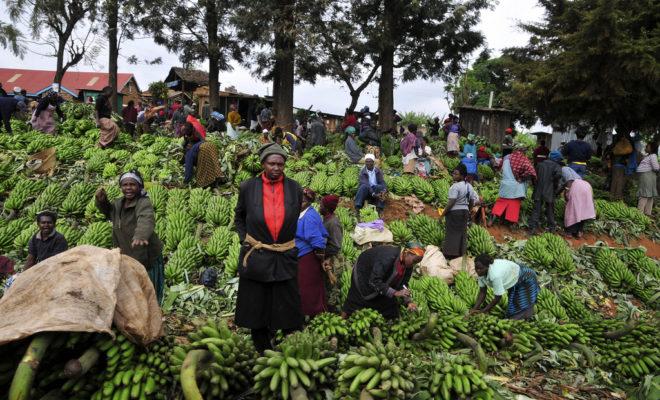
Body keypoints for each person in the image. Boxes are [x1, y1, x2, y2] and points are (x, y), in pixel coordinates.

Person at [234, 142, 303, 352]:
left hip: (284, 251)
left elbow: (295, 212)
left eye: (280, 164)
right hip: (258, 252)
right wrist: (245, 238)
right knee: (258, 298)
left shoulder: (294, 188)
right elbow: (239, 216)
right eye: (272, 163)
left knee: (284, 295)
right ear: (263, 163)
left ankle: (286, 336)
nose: (276, 168)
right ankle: (261, 341)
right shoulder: (248, 187)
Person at [95, 171, 164, 303]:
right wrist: (102, 202)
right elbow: (110, 214)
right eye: (125, 185)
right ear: (121, 187)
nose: (128, 188)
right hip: (127, 248)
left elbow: (146, 218)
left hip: (145, 251)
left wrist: (141, 235)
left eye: (132, 184)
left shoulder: (143, 202)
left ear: (139, 186)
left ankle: (153, 305)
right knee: (132, 282)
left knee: (147, 283)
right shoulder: (119, 203)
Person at [342, 244, 424, 319]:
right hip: (364, 273)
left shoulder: (408, 266)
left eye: (417, 263)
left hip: (382, 280)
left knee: (390, 305)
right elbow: (374, 281)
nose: (414, 264)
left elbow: (403, 285)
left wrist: (408, 301)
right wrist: (395, 292)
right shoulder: (389, 256)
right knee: (356, 300)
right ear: (407, 253)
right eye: (414, 261)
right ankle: (342, 319)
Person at [470, 254, 540, 320]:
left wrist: (483, 311)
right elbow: (482, 292)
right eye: (476, 268)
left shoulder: (495, 275)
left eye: (481, 268)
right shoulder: (481, 273)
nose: (478, 271)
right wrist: (475, 308)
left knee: (522, 301)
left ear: (488, 266)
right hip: (513, 275)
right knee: (513, 301)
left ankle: (522, 320)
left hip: (526, 276)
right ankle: (518, 317)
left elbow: (498, 297)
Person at [296, 188, 329, 317]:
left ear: (309, 202)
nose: (300, 202)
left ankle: (315, 313)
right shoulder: (298, 213)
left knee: (309, 287)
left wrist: (320, 257)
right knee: (302, 286)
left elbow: (316, 239)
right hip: (298, 254)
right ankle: (304, 312)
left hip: (308, 255)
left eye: (304, 201)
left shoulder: (309, 216)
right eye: (299, 199)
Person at [440, 164, 479, 260]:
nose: (453, 175)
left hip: (454, 213)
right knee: (461, 233)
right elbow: (472, 201)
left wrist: (442, 214)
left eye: (456, 174)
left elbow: (451, 202)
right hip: (464, 212)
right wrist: (468, 211)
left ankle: (449, 254)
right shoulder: (469, 186)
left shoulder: (455, 186)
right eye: (453, 173)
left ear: (462, 176)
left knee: (451, 233)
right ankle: (460, 254)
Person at [491, 145, 536, 226]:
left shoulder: (506, 157)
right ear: (523, 152)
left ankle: (493, 219)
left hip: (505, 185)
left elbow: (498, 166)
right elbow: (531, 171)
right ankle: (511, 224)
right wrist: (521, 178)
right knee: (514, 205)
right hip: (516, 187)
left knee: (501, 202)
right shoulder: (523, 159)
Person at [528, 150, 563, 234]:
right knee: (550, 209)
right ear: (557, 159)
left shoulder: (540, 164)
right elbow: (558, 175)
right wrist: (554, 183)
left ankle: (532, 228)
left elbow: (533, 176)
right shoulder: (557, 166)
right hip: (549, 190)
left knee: (536, 209)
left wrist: (535, 185)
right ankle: (552, 228)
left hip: (538, 190)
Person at [181, 122, 223, 188]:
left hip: (204, 148)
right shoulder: (194, 132)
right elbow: (201, 140)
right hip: (210, 145)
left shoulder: (189, 153)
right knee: (213, 163)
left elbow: (189, 167)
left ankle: (207, 183)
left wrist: (186, 181)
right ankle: (218, 179)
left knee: (203, 167)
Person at [319, 195, 343, 310]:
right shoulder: (326, 219)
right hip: (326, 259)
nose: (319, 206)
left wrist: (321, 252)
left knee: (331, 288)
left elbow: (336, 245)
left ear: (326, 208)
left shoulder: (333, 223)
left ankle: (331, 311)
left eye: (321, 205)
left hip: (332, 260)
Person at [559, 165, 596, 238]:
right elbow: (563, 185)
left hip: (577, 187)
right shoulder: (570, 170)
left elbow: (569, 181)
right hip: (586, 185)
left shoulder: (563, 169)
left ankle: (569, 232)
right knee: (582, 210)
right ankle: (579, 231)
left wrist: (566, 194)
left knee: (572, 210)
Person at [607, 133, 633, 200]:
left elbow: (610, 156)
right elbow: (627, 159)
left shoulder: (616, 146)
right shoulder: (626, 147)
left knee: (614, 181)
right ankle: (617, 198)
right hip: (621, 166)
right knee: (620, 182)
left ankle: (611, 196)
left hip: (615, 166)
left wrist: (609, 165)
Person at [636, 142, 659, 216]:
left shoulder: (653, 156)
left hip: (647, 176)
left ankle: (639, 214)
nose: (645, 148)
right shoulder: (649, 156)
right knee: (649, 195)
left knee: (644, 194)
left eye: (647, 147)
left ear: (652, 148)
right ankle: (647, 213)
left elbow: (656, 168)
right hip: (647, 176)